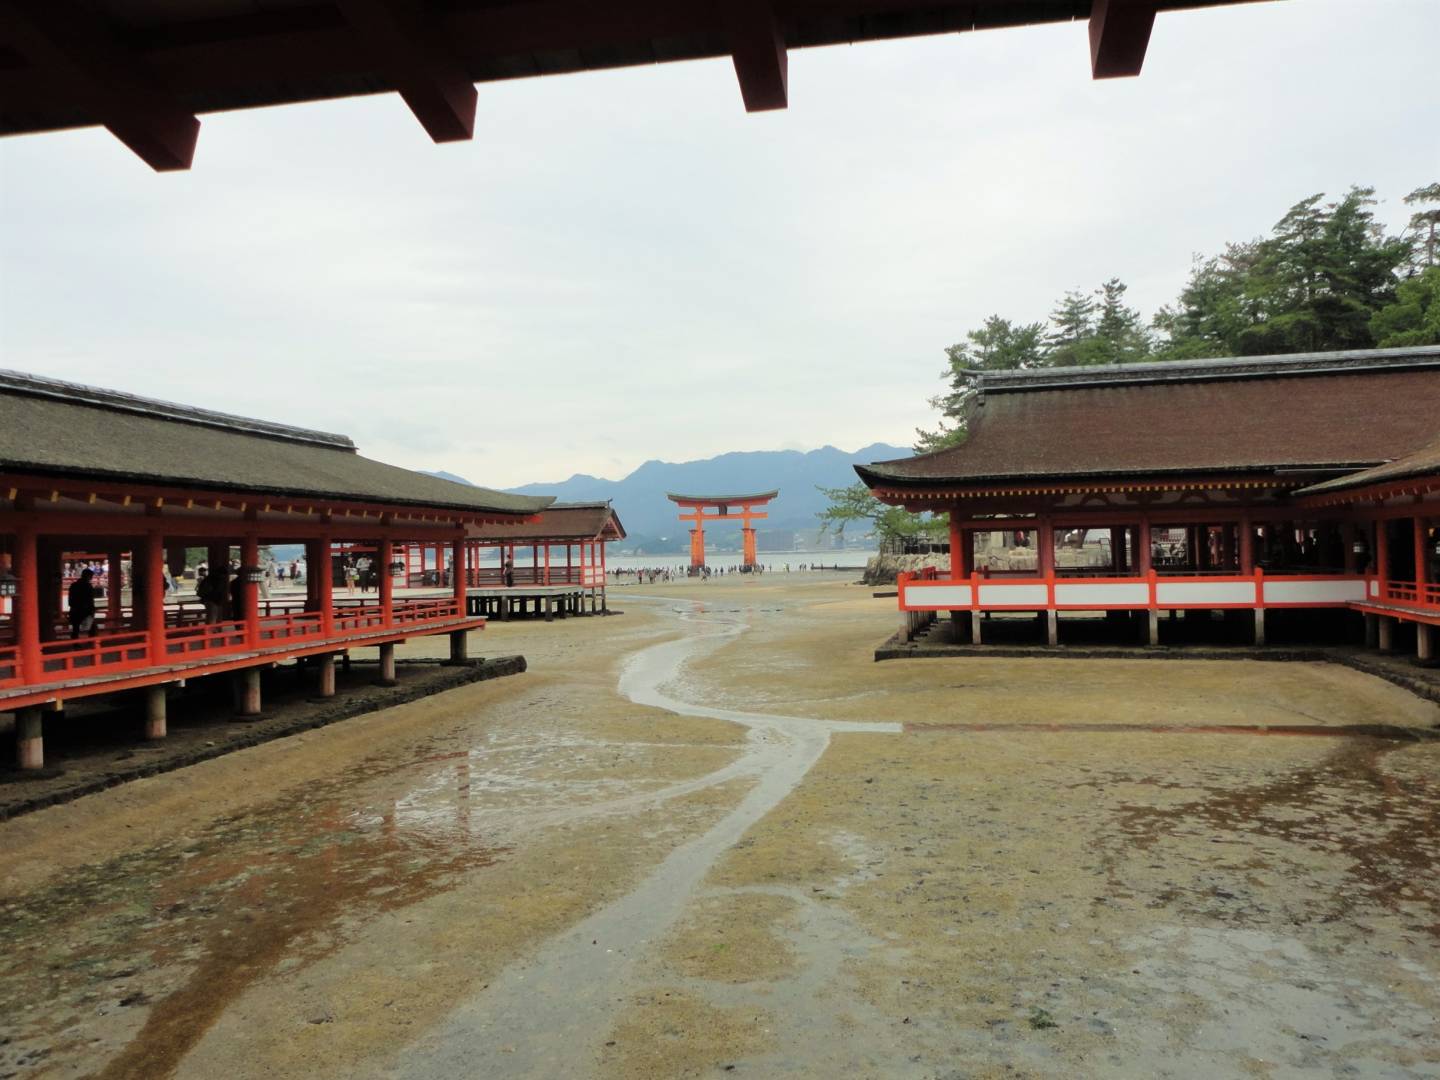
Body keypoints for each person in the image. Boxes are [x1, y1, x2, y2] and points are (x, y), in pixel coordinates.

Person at [68, 568, 97, 637]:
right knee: (92, 627)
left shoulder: (74, 585)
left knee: (76, 628)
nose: (91, 578)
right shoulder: (88, 586)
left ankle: (75, 643)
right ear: (88, 576)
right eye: (91, 576)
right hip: (86, 610)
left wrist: (72, 606)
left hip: (75, 609)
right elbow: (90, 599)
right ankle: (92, 642)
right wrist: (92, 609)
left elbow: (71, 598)